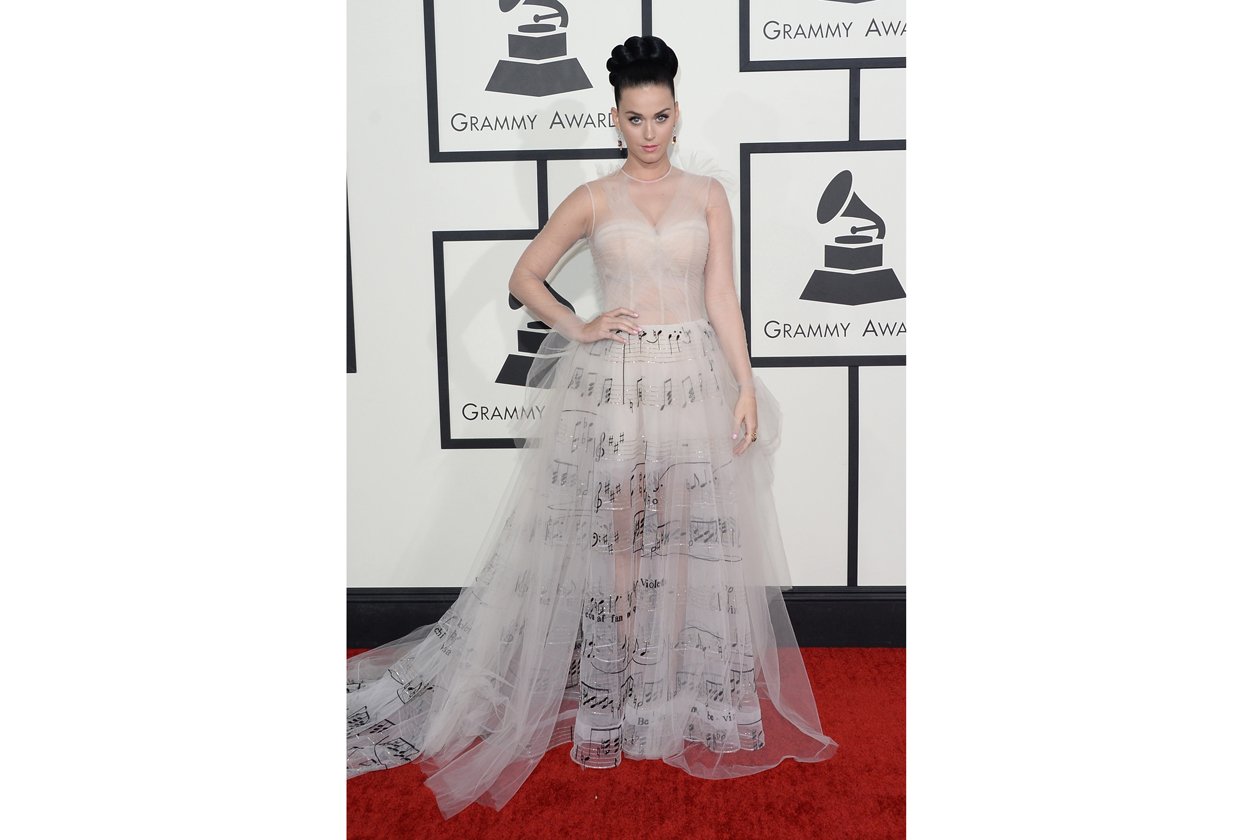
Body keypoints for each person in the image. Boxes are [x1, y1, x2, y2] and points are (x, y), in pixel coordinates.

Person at [347, 34, 839, 820]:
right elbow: (523, 276)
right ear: (616, 119)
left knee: (681, 540)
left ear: (677, 113)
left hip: (693, 383)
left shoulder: (709, 195)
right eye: (636, 118)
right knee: (618, 541)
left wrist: (745, 385)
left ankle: (671, 692)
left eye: (662, 116)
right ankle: (622, 692)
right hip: (615, 386)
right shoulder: (593, 198)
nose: (650, 132)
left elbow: (721, 297)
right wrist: (579, 326)